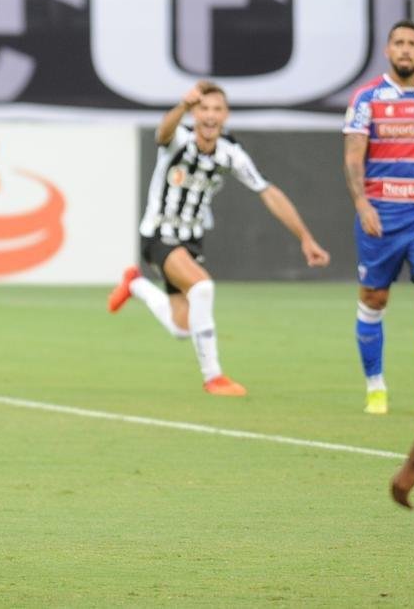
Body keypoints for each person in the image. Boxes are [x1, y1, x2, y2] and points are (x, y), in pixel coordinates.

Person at [108, 80, 330, 396]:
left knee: (182, 328)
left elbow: (267, 192)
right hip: (159, 234)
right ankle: (214, 377)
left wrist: (306, 238)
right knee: (202, 287)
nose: (210, 116)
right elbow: (162, 133)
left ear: (225, 115)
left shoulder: (231, 154)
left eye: (217, 110)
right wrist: (182, 106)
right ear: (194, 113)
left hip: (191, 240)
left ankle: (135, 284)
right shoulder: (179, 141)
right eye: (203, 109)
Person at [343, 20, 414, 415]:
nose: (405, 49)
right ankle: (375, 385)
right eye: (398, 43)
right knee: (373, 298)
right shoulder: (367, 98)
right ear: (388, 50)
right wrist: (362, 204)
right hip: (380, 216)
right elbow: (353, 155)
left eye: (412, 44)